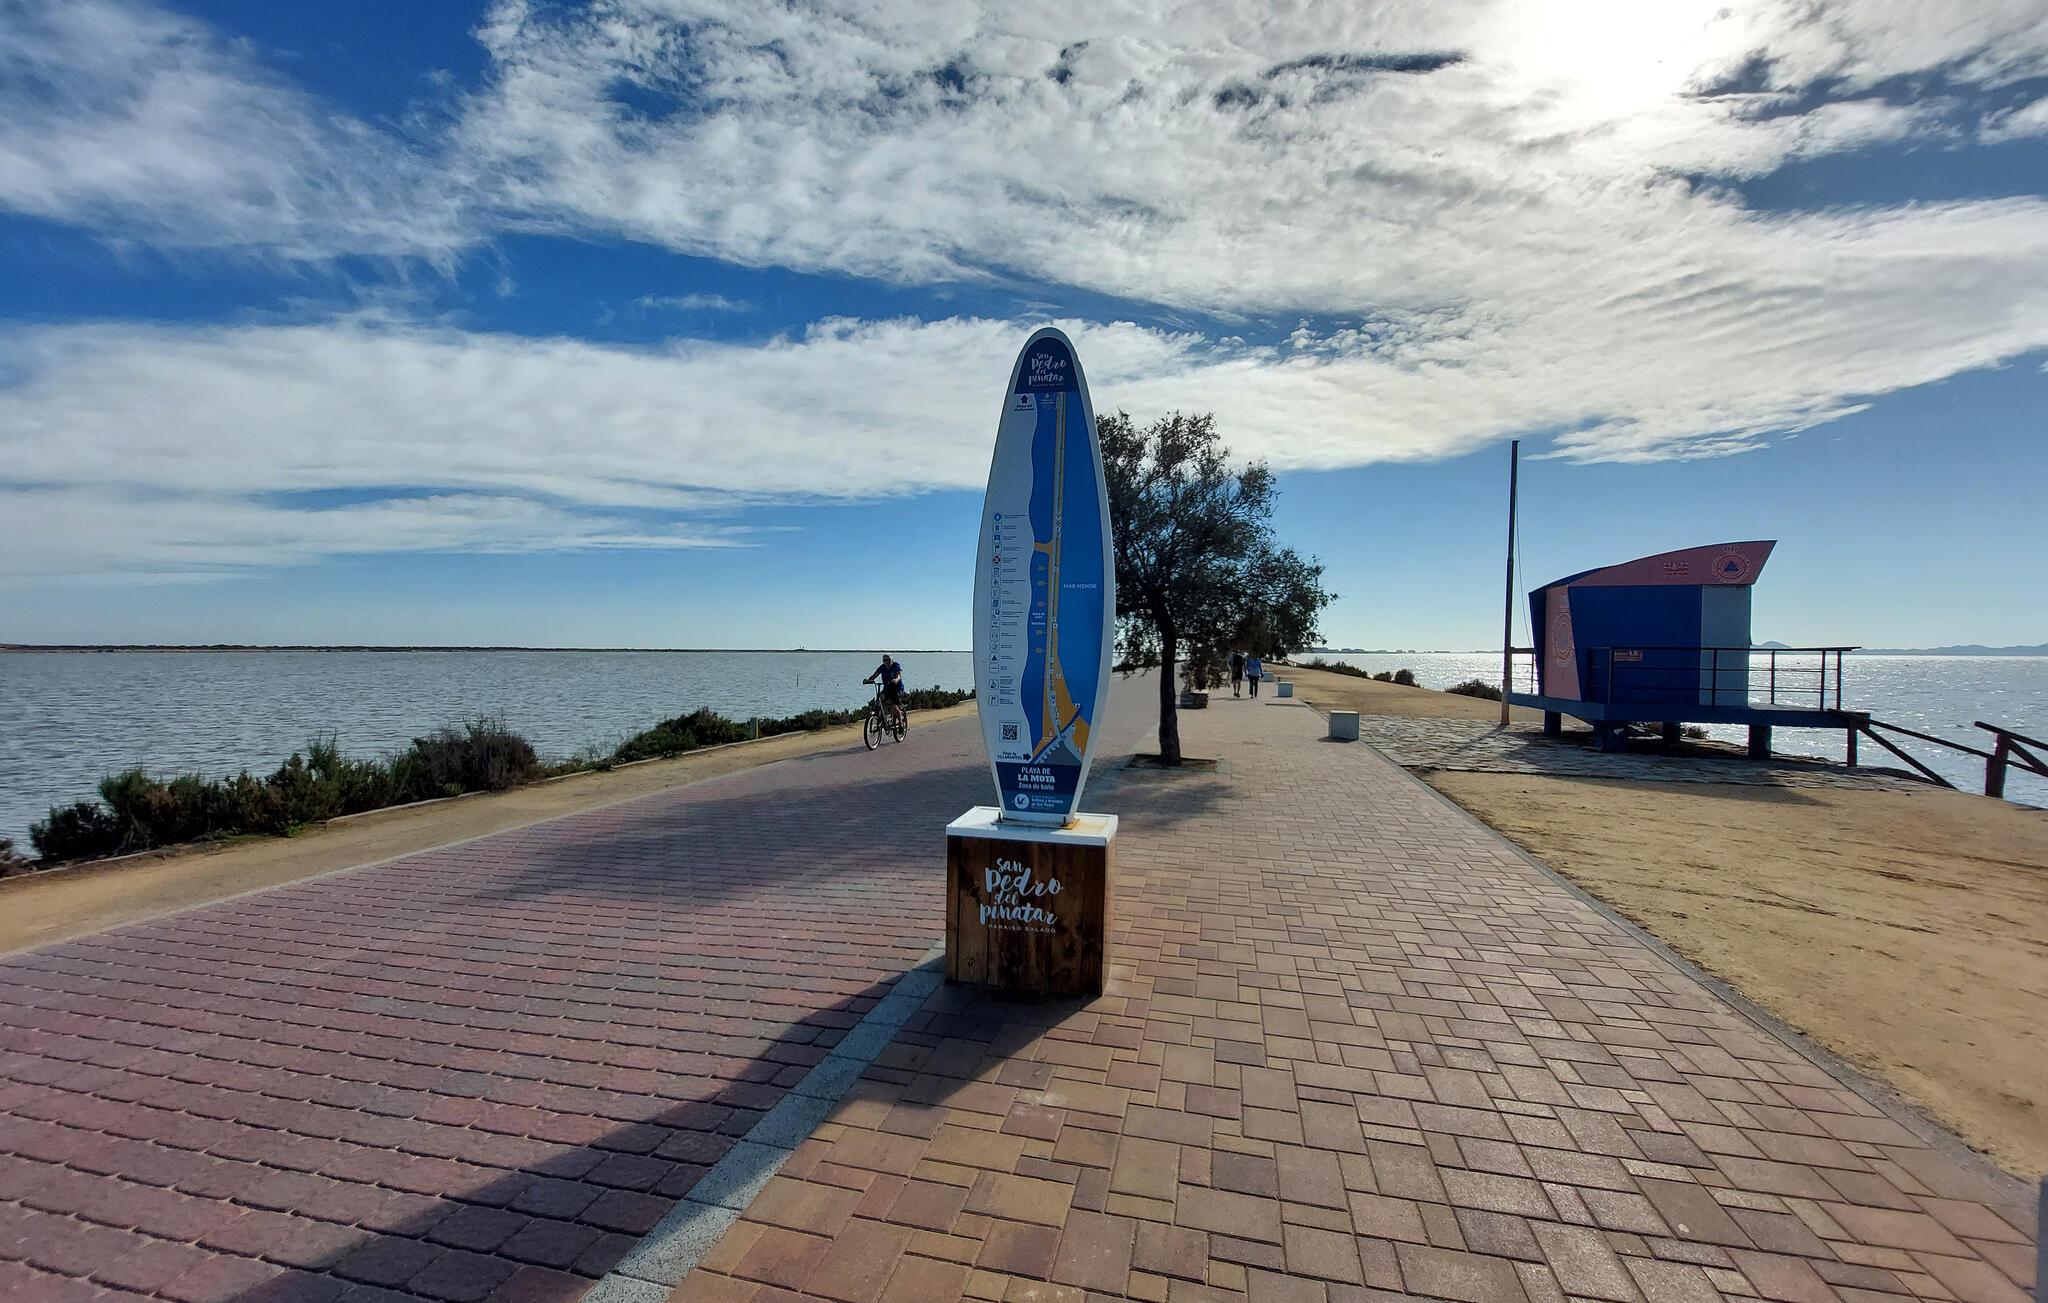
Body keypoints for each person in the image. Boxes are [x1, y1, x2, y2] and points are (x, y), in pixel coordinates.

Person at [864, 653, 906, 729]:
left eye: (889, 660)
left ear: (892, 660)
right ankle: (881, 718)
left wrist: (896, 680)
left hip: (897, 689)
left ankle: (900, 724)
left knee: (894, 707)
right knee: (879, 701)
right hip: (887, 689)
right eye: (885, 660)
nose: (887, 662)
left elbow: (898, 675)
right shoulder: (882, 667)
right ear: (883, 661)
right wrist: (869, 680)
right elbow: (875, 675)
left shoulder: (896, 665)